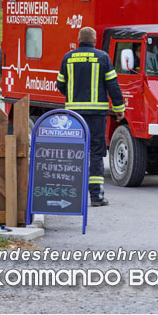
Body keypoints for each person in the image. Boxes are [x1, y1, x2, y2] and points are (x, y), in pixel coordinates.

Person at [56, 27, 124, 207]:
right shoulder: (102, 57)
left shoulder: (68, 58)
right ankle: (96, 197)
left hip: (73, 115)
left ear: (78, 39)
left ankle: (71, 197)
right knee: (95, 153)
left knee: (73, 153)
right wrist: (119, 108)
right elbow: (113, 86)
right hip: (96, 116)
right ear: (94, 40)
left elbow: (60, 84)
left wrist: (72, 95)